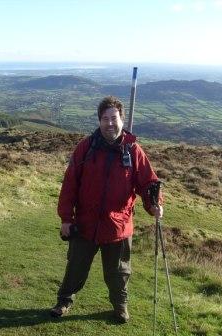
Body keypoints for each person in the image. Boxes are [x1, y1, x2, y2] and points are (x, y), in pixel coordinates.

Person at [50, 96, 163, 323]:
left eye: (114, 118)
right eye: (105, 118)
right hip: (85, 223)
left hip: (118, 226)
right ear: (99, 120)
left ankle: (120, 306)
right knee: (76, 268)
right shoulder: (86, 147)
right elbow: (70, 184)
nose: (109, 123)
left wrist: (154, 205)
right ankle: (64, 301)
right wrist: (66, 218)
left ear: (122, 119)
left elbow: (148, 183)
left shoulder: (133, 151)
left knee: (118, 273)